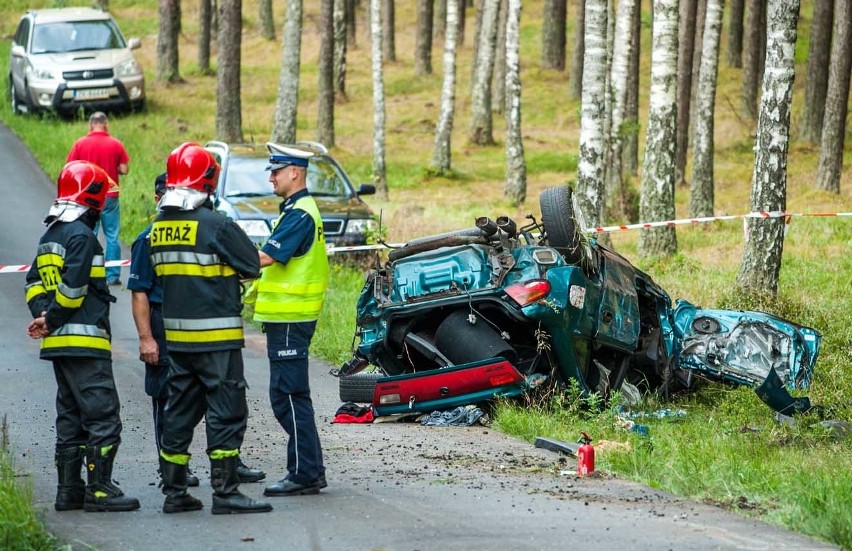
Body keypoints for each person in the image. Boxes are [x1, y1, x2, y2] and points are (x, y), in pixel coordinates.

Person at [150, 143, 271, 515]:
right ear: (209, 182)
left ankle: (174, 492)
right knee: (226, 411)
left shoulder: (158, 228)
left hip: (179, 340)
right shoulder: (218, 225)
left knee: (179, 412)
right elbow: (251, 264)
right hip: (216, 339)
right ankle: (226, 492)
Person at [128, 174, 265, 488]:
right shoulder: (154, 236)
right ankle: (183, 474)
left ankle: (188, 479)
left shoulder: (165, 232)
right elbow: (139, 292)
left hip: (180, 327)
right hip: (178, 326)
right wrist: (146, 338)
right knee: (178, 401)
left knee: (185, 404)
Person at [25, 160, 140, 513]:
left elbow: (31, 283)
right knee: (103, 417)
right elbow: (74, 290)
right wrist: (52, 318)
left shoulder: (50, 235)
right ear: (93, 200)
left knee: (71, 418)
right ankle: (100, 491)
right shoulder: (82, 237)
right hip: (85, 344)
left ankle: (69, 492)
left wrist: (43, 317)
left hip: (58, 346)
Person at [251, 143, 329, 497]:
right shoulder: (296, 211)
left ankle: (305, 473)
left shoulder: (299, 214)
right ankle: (307, 470)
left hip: (291, 320)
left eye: (276, 171)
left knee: (289, 397)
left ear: (294, 173)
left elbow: (266, 258)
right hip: (287, 319)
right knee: (288, 396)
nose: (271, 177)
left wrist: (223, 263)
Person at [66, 111, 129, 286]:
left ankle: (88, 273)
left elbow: (70, 167)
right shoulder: (115, 144)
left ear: (90, 125)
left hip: (88, 198)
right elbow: (124, 169)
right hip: (110, 195)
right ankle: (112, 275)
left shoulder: (80, 143)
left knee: (89, 234)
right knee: (112, 236)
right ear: (106, 124)